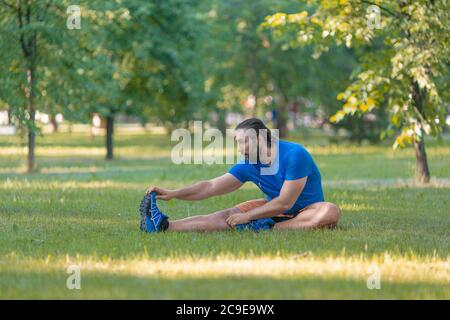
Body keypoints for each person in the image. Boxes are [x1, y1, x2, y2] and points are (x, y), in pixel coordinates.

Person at [141, 118, 340, 232]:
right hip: (272, 211)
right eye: (237, 142)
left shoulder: (295, 155)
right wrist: (173, 193)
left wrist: (247, 216)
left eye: (244, 141)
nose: (239, 148)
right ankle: (164, 226)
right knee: (226, 216)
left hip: (306, 211)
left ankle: (268, 228)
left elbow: (285, 203)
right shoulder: (249, 163)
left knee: (330, 211)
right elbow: (210, 187)